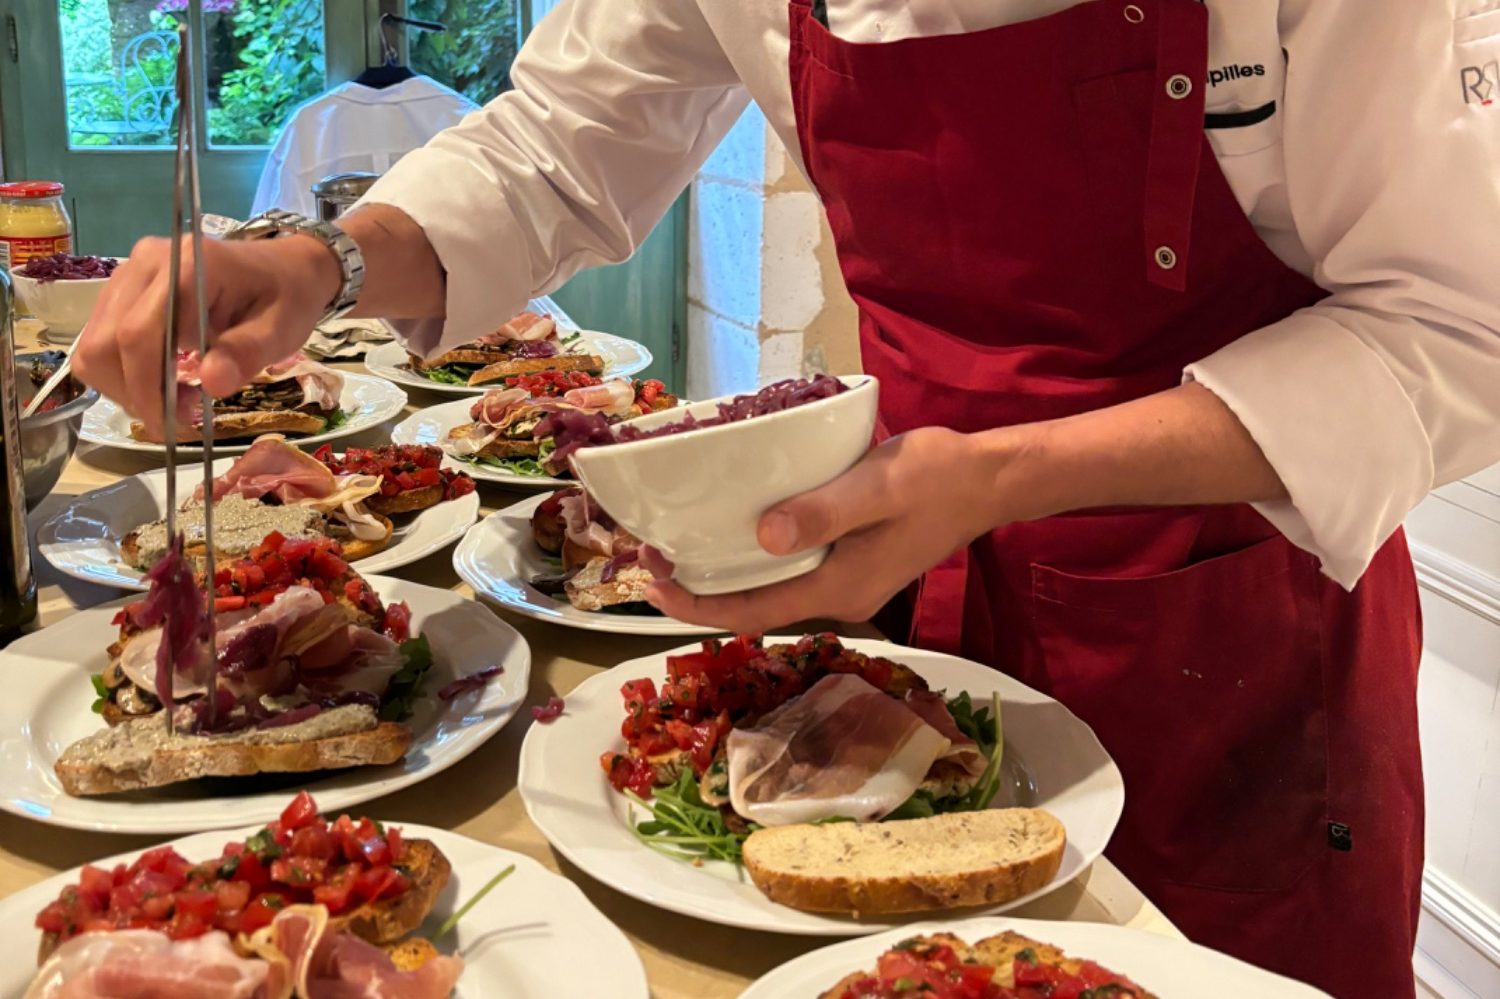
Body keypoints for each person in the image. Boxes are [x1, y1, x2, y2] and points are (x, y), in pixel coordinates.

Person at [74, 2, 1500, 996]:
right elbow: (563, 136)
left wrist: (1006, 473)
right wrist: (318, 258)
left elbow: (1460, 323)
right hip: (894, 578)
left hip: (1225, 626)